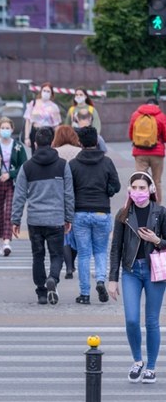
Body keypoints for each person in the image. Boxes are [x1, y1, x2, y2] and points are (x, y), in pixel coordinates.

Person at [108, 171, 166, 384]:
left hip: (155, 272)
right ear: (129, 190)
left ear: (150, 190)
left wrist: (157, 239)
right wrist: (112, 279)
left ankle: (151, 367)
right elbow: (116, 248)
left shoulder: (160, 212)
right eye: (135, 188)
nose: (139, 192)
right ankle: (137, 361)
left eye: (143, 188)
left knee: (151, 321)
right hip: (131, 271)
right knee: (132, 319)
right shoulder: (123, 214)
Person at [11, 126, 74, 305]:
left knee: (37, 256)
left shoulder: (27, 167)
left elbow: (19, 195)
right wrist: (69, 217)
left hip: (35, 220)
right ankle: (52, 278)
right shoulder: (63, 165)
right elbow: (69, 194)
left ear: (36, 143)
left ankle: (41, 292)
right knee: (57, 255)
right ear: (52, 142)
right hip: (56, 219)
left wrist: (15, 219)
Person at [70, 126, 120, 305]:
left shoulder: (73, 164)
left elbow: (69, 190)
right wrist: (107, 190)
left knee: (84, 254)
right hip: (101, 211)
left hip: (80, 212)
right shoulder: (106, 162)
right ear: (97, 142)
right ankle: (100, 280)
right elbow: (117, 186)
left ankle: (84, 294)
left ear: (80, 143)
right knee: (100, 251)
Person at [0, 117, 27, 257]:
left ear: (12, 130)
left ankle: (7, 241)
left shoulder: (18, 146)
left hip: (11, 183)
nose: (5, 130)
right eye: (3, 128)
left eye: (7, 128)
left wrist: (11, 174)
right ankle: (2, 239)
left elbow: (23, 165)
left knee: (9, 211)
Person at [52, 125, 83, 278]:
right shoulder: (80, 152)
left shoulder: (55, 152)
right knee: (76, 231)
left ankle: (68, 267)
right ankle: (73, 264)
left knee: (64, 233)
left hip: (59, 196)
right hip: (78, 195)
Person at [129, 98, 166, 203]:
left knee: (140, 179)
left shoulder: (136, 115)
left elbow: (131, 134)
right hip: (157, 153)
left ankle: (140, 202)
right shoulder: (161, 116)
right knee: (157, 181)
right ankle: (157, 206)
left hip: (140, 152)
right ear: (157, 106)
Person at [23, 82, 62, 152]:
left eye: (48, 91)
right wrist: (26, 137)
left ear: (51, 93)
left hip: (48, 133)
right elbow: (28, 121)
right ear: (41, 91)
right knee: (35, 154)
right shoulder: (33, 103)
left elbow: (56, 126)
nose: (46, 93)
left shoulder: (54, 107)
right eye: (44, 90)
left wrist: (57, 139)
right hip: (35, 132)